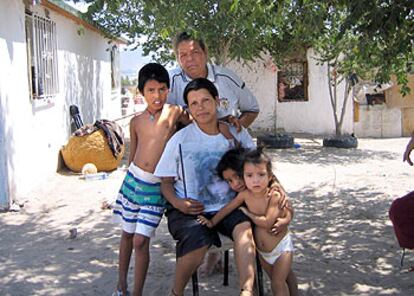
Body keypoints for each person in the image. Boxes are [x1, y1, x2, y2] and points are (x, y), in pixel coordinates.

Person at [155, 78, 257, 296]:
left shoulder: (234, 132)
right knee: (198, 240)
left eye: (205, 101)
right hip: (189, 209)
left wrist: (234, 140)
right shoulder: (180, 139)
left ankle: (246, 290)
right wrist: (178, 203)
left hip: (229, 206)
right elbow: (165, 183)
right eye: (194, 103)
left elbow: (258, 165)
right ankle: (176, 292)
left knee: (244, 230)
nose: (200, 107)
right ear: (188, 109)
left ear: (217, 101)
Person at [112, 63, 191, 296]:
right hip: (133, 183)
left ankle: (136, 292)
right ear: (141, 92)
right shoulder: (135, 121)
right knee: (126, 235)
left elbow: (198, 122)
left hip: (157, 188)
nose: (157, 96)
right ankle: (121, 286)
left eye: (162, 89)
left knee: (140, 240)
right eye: (151, 90)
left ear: (168, 90)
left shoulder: (174, 111)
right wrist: (127, 180)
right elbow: (133, 155)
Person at [198, 148, 295, 296]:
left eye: (238, 177)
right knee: (277, 281)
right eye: (229, 181)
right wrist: (211, 222)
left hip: (279, 244)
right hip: (263, 250)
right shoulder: (243, 195)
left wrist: (286, 219)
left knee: (283, 278)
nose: (235, 184)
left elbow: (286, 207)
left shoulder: (270, 191)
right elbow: (227, 209)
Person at [168, 31, 260, 129]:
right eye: (183, 55)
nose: (190, 58)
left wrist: (234, 135)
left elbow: (252, 109)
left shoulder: (226, 77)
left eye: (195, 52)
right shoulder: (170, 82)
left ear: (205, 53)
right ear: (177, 59)